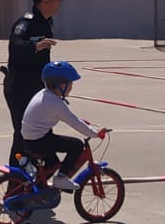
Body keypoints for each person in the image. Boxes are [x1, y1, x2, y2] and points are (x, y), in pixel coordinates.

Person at [19, 61, 107, 191]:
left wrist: (80, 121)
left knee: (53, 163)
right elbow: (74, 123)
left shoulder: (44, 94)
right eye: (70, 84)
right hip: (39, 140)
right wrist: (95, 133)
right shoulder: (55, 103)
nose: (72, 87)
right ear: (61, 85)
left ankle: (37, 190)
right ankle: (61, 179)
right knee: (76, 145)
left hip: (30, 139)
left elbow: (63, 116)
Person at [1, 0, 61, 163]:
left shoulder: (46, 23)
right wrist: (34, 46)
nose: (59, 2)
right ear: (44, 2)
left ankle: (38, 178)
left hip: (36, 88)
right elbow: (15, 45)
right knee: (22, 134)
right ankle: (14, 183)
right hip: (19, 88)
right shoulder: (26, 23)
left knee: (40, 133)